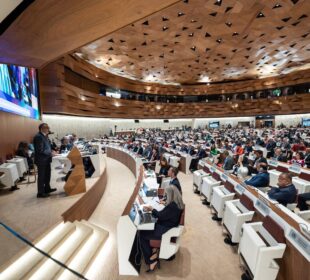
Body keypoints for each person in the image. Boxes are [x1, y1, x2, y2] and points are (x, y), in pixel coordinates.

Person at [139, 185, 184, 272]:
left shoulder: (173, 206)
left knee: (142, 234)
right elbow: (164, 214)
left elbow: (160, 216)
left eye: (167, 194)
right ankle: (153, 253)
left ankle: (151, 261)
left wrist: (152, 209)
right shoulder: (178, 203)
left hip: (165, 230)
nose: (165, 196)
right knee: (147, 229)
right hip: (167, 226)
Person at [33, 123, 57, 198]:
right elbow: (40, 150)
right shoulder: (38, 137)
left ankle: (47, 188)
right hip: (41, 160)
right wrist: (50, 153)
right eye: (46, 128)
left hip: (46, 159)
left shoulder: (44, 136)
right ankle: (40, 193)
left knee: (47, 175)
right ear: (41, 129)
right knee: (41, 176)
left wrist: (52, 151)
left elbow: (47, 147)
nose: (48, 129)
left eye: (48, 127)